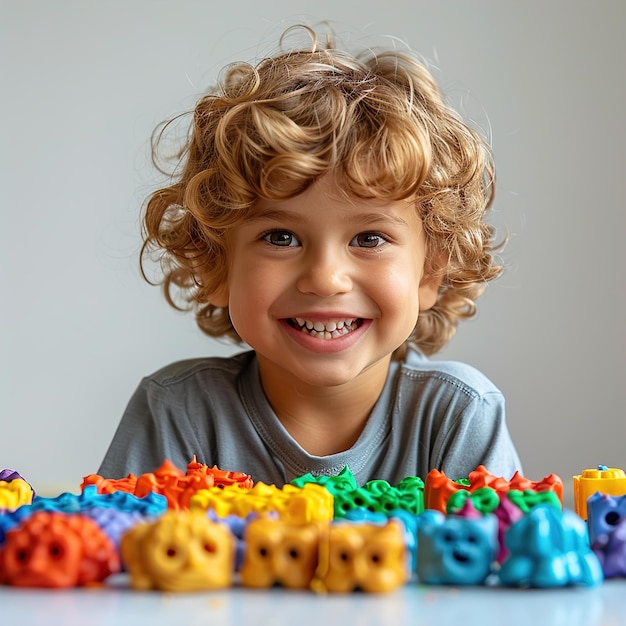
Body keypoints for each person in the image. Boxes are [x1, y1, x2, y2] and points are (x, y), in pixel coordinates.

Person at [98, 24, 522, 485]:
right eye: (281, 237)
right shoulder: (177, 410)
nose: (325, 278)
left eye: (369, 239)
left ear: (430, 272)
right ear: (214, 263)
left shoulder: (459, 415)